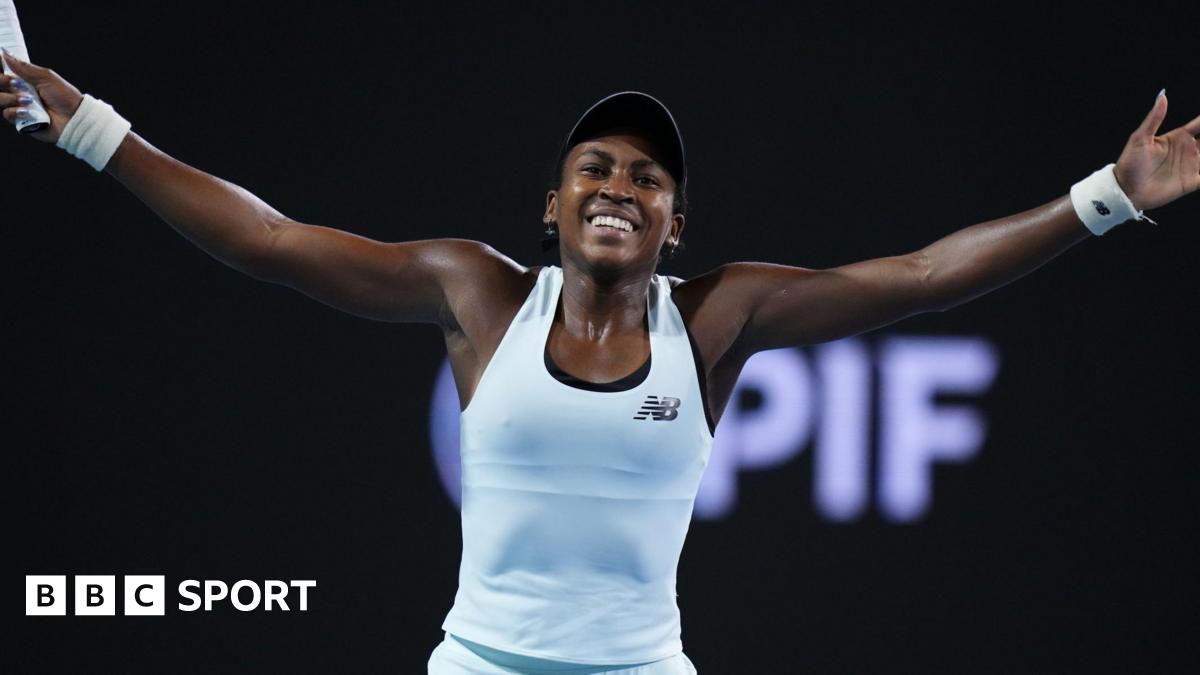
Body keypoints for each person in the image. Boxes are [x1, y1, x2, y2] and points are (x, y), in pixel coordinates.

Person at [3, 49, 1198, 674]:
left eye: (646, 177)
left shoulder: (721, 318)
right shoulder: (475, 295)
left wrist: (1105, 199)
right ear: (553, 204)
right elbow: (266, 239)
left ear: (677, 225)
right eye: (595, 168)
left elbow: (930, 275)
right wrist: (88, 126)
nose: (618, 187)